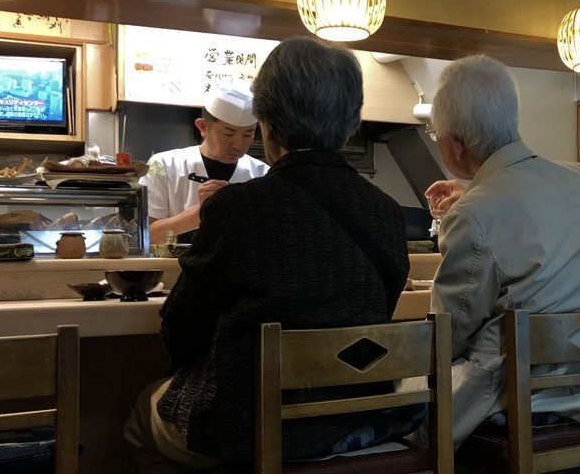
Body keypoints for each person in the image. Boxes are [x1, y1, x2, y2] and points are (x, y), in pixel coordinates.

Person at [124, 37, 414, 471]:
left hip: (244, 431)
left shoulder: (236, 208)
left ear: (267, 125)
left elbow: (180, 337)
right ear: (351, 123)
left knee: (142, 409)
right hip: (353, 420)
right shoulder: (388, 213)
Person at [409, 54, 580, 448]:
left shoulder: (473, 214)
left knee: (400, 399)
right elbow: (524, 204)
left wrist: (474, 201)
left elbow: (446, 337)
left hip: (517, 398)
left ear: (455, 142)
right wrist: (474, 192)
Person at [138, 86, 268, 245]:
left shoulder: (262, 174)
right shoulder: (163, 165)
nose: (239, 144)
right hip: (174, 269)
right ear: (203, 127)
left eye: (248, 134)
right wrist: (200, 211)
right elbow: (145, 237)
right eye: (228, 133)